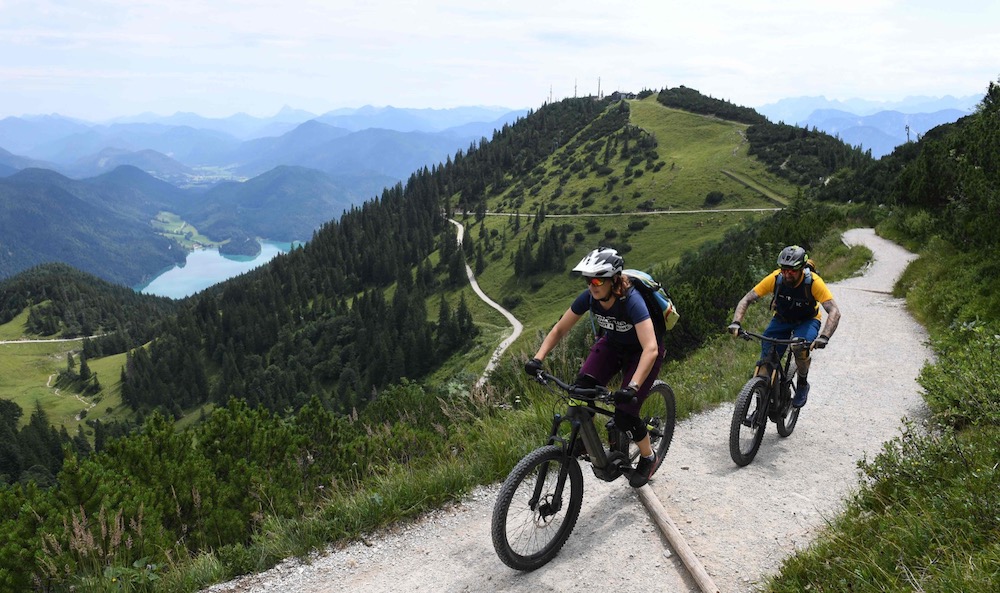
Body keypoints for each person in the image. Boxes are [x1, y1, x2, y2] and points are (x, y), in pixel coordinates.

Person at [524, 247, 666, 488]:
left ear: (613, 280)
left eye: (598, 279)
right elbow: (560, 328)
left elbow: (651, 348)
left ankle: (648, 457)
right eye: (588, 280)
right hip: (611, 345)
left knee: (625, 414)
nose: (592, 285)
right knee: (579, 393)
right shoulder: (590, 298)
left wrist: (632, 387)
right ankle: (585, 441)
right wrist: (538, 358)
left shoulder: (632, 301)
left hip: (642, 354)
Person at [727, 245, 841, 408]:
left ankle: (802, 383)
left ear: (801, 268)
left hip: (807, 321)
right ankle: (761, 407)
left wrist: (824, 337)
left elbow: (834, 311)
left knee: (798, 347)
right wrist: (736, 322)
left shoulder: (813, 282)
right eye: (784, 269)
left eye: (792, 270)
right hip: (782, 319)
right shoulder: (776, 278)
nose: (787, 274)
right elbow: (747, 299)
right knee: (765, 366)